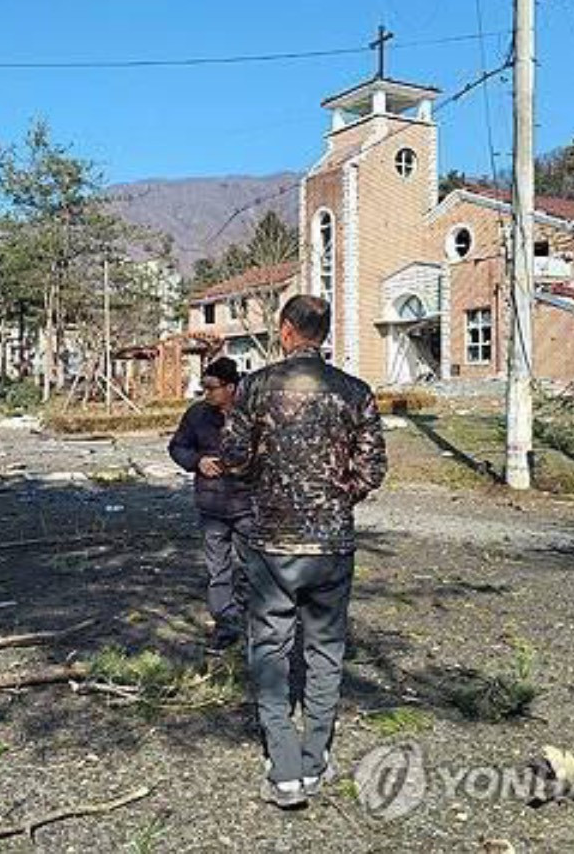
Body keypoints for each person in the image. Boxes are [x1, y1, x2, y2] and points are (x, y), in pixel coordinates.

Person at [220, 294, 387, 809]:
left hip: (271, 542)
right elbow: (373, 469)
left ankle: (285, 769)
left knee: (269, 646)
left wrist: (263, 481)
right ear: (324, 332)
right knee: (324, 650)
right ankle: (314, 762)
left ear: (286, 330)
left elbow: (232, 456)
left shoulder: (253, 388)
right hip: (332, 543)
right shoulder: (356, 392)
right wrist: (336, 498)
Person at [168, 357, 253, 654]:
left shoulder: (253, 414)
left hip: (247, 504)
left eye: (211, 387)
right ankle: (226, 624)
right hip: (211, 505)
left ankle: (248, 619)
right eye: (203, 387)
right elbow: (177, 447)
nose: (206, 393)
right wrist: (197, 461)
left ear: (231, 387)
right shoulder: (197, 415)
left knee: (250, 567)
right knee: (218, 571)